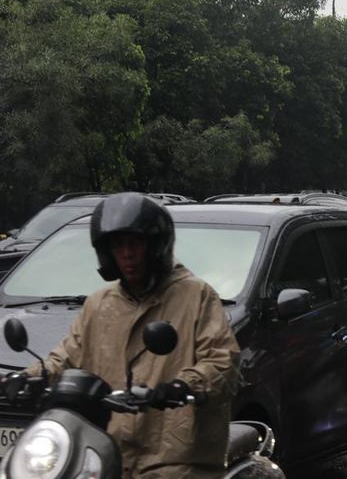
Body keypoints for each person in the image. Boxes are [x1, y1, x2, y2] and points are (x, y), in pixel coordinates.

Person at [6, 193, 240, 477]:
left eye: (135, 243)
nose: (127, 254)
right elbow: (67, 356)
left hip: (176, 456)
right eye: (118, 245)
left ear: (155, 245)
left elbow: (221, 361)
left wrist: (181, 387)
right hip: (106, 448)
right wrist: (32, 376)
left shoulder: (196, 296)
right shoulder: (100, 304)